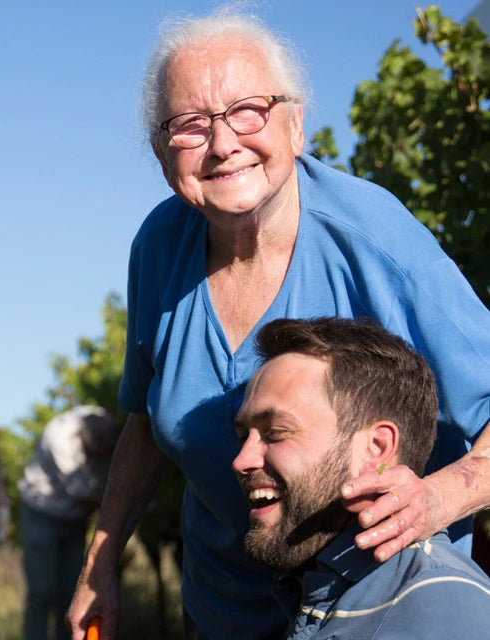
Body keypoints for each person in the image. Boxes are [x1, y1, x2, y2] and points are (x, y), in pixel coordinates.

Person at [67, 10, 490, 640]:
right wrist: (99, 565)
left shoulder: (376, 241)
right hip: (221, 610)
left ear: (294, 124)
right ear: (160, 153)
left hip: (374, 610)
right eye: (189, 124)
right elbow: (146, 422)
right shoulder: (160, 246)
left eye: (249, 109)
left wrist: (440, 498)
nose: (222, 143)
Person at [233, 316, 490, 638]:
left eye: (276, 432)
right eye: (243, 436)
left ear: (377, 449)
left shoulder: (437, 607)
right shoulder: (318, 594)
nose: (241, 460)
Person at [19, 406, 118, 640]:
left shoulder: (102, 420)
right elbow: (83, 492)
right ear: (83, 440)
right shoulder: (59, 438)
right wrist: (123, 499)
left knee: (72, 594)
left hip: (75, 520)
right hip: (41, 512)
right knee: (41, 592)